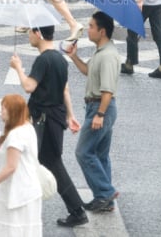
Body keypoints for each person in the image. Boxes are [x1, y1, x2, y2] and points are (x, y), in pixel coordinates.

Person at [10, 26, 88, 228]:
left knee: (31, 160)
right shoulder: (61, 60)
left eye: (29, 32)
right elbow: (65, 89)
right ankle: (75, 210)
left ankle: (75, 210)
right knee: (48, 161)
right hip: (55, 117)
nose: (28, 36)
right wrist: (70, 115)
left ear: (38, 34)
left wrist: (18, 67)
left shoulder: (43, 60)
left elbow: (29, 86)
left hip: (42, 120)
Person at [65, 12, 121, 213]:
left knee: (83, 152)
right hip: (97, 106)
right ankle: (105, 200)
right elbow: (88, 71)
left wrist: (100, 115)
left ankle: (106, 192)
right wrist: (73, 57)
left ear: (102, 31)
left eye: (90, 26)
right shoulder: (101, 51)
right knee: (100, 155)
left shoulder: (107, 56)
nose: (87, 29)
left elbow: (107, 90)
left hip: (100, 107)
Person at [0, 94, 43, 235]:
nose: (0, 111)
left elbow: (11, 167)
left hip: (17, 193)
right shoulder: (28, 127)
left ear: (13, 112)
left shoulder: (15, 135)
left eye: (3, 108)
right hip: (30, 191)